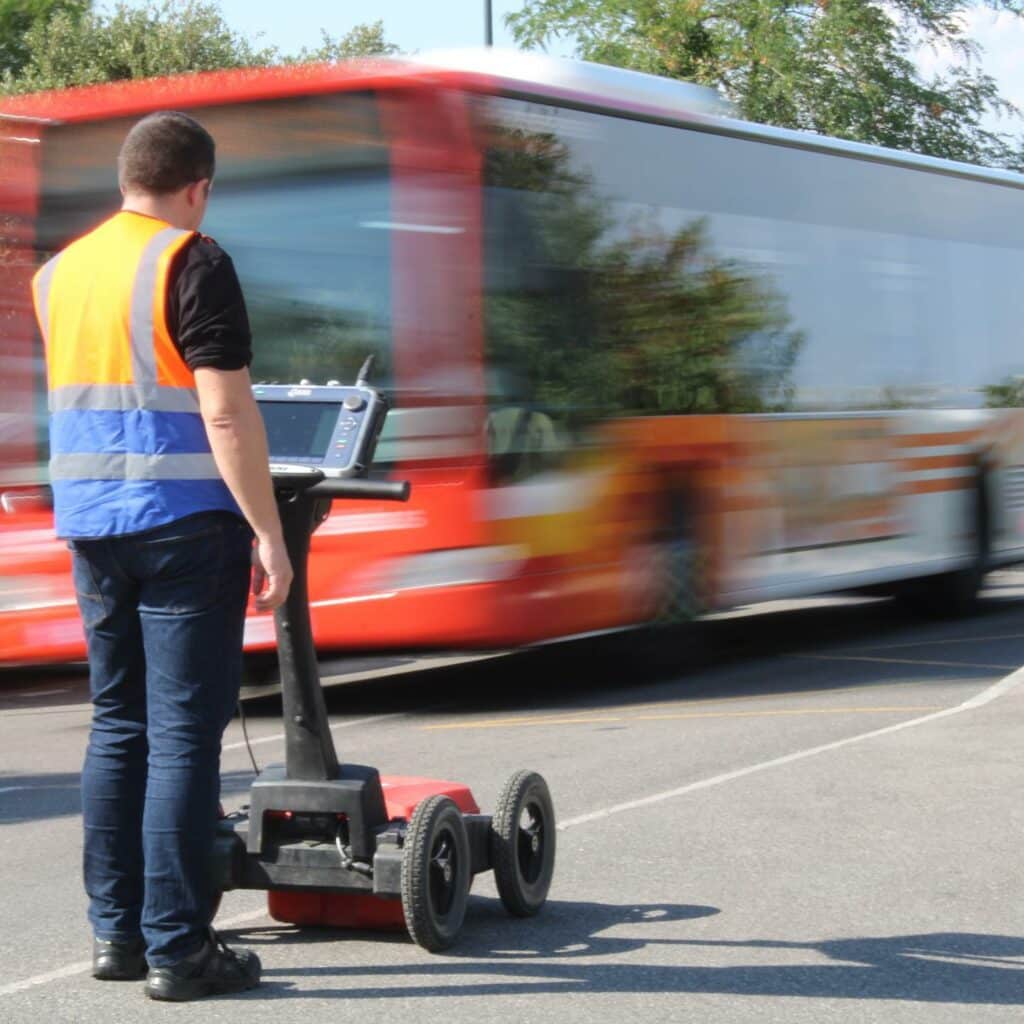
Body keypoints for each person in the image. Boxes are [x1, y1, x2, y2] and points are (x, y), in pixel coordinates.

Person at [31, 110, 293, 1002]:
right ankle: (181, 949)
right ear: (199, 186)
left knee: (118, 725)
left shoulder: (57, 273)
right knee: (183, 737)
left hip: (92, 524)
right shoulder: (194, 259)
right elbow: (224, 413)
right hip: (185, 524)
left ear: (124, 178)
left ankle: (119, 937)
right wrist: (270, 530)